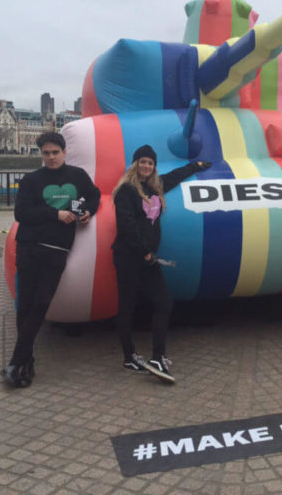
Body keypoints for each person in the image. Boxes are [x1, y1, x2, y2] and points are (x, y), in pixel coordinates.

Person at [2, 132, 101, 388]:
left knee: (41, 304)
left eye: (55, 152)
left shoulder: (78, 176)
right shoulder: (31, 180)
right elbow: (21, 213)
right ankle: (25, 361)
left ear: (65, 152)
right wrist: (55, 215)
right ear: (41, 155)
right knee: (25, 305)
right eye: (46, 153)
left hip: (57, 250)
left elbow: (95, 195)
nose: (51, 157)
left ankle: (18, 359)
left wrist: (88, 212)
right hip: (28, 247)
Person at [112, 145, 211, 384]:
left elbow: (175, 176)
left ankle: (157, 357)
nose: (146, 166)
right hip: (129, 256)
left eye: (150, 163)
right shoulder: (126, 190)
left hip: (148, 257)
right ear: (135, 164)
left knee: (164, 302)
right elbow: (126, 226)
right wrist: (145, 253)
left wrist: (195, 166)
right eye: (143, 162)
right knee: (127, 305)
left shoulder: (155, 186)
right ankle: (129, 356)